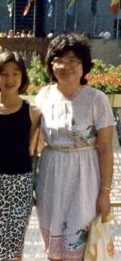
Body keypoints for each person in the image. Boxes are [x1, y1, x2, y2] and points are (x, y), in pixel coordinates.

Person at [35, 33, 114, 261]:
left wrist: (105, 193)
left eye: (73, 61)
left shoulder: (96, 99)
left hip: (85, 176)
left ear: (84, 65)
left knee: (81, 247)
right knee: (54, 250)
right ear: (51, 64)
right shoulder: (44, 96)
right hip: (51, 175)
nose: (66, 66)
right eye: (60, 59)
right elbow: (33, 140)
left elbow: (106, 149)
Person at [0, 51, 41, 260]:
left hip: (21, 184)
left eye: (15, 73)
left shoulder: (34, 112)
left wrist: (34, 186)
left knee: (15, 246)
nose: (9, 79)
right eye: (4, 73)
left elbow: (32, 152)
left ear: (23, 77)